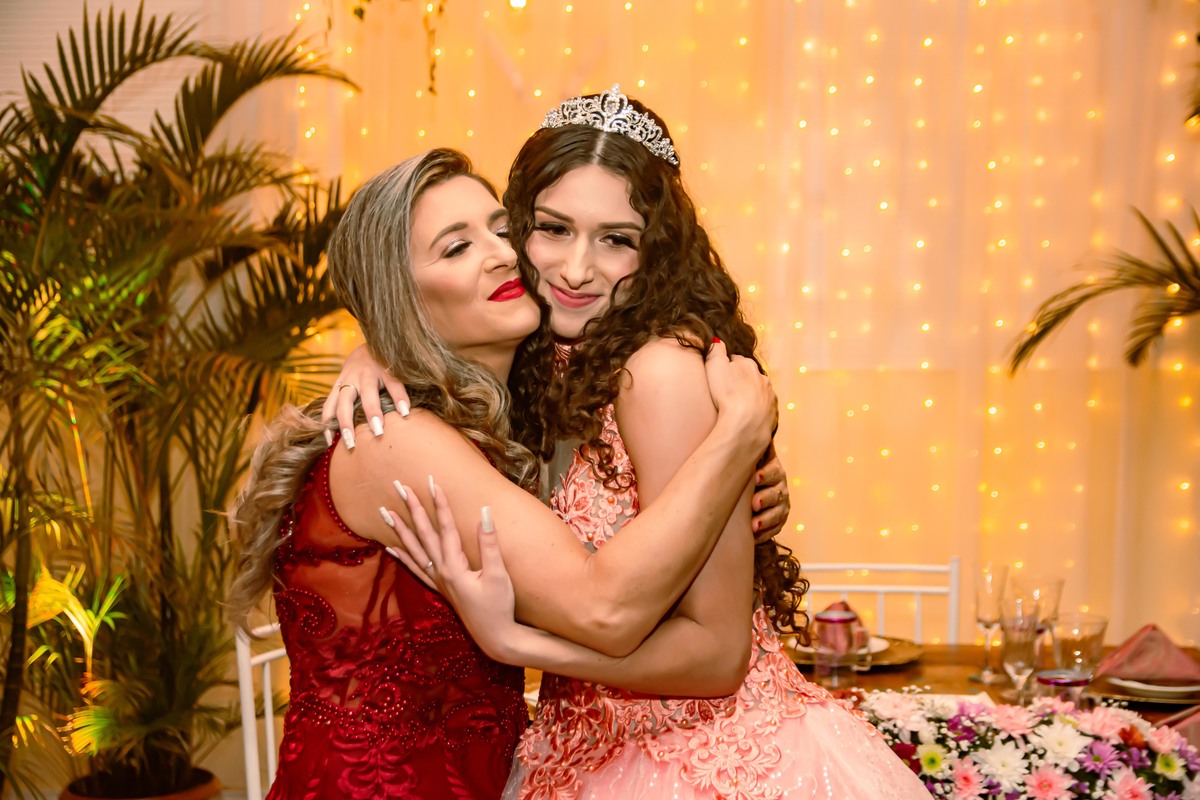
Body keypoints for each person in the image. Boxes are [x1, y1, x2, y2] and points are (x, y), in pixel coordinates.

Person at [370, 87, 933, 799]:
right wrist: (377, 353)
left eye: (617, 240)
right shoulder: (542, 366)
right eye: (554, 229)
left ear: (658, 249)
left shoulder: (659, 371)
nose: (577, 269)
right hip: (573, 754)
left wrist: (519, 645)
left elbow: (717, 654)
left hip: (705, 761)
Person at [228, 147, 780, 799]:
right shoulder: (394, 439)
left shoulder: (510, 419)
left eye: (500, 229)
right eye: (456, 248)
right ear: (398, 297)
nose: (501, 255)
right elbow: (604, 608)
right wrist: (736, 438)